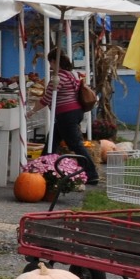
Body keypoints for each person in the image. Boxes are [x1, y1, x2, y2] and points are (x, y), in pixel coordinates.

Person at [49, 50, 100, 185]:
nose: (50, 65)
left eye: (50, 62)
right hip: (74, 112)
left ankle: (91, 173)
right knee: (52, 141)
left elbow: (47, 97)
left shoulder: (58, 77)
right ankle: (45, 164)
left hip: (66, 114)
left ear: (54, 61)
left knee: (76, 144)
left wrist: (31, 112)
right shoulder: (72, 74)